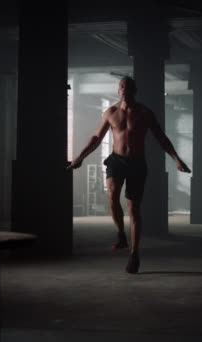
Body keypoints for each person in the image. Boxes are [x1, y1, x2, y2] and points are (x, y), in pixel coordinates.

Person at [67, 76, 191, 274]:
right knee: (112, 197)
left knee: (134, 209)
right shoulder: (111, 112)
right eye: (121, 86)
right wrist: (80, 157)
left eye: (128, 86)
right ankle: (120, 234)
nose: (124, 89)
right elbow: (96, 137)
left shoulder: (144, 113)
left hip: (137, 163)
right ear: (118, 90)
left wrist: (176, 159)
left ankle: (134, 253)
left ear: (135, 90)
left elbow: (161, 138)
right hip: (117, 160)